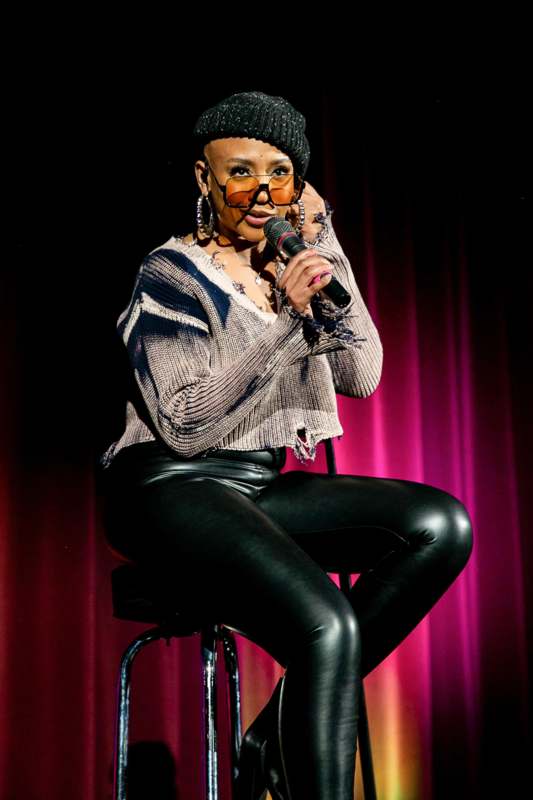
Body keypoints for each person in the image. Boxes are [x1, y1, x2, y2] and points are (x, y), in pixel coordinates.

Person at [97, 91, 474, 800]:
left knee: (438, 525)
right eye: (239, 171)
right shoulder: (170, 275)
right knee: (323, 624)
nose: (261, 190)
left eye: (279, 173)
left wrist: (321, 240)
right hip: (165, 485)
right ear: (206, 181)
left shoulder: (292, 263)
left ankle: (272, 740)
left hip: (253, 482)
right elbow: (184, 422)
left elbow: (361, 374)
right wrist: (285, 322)